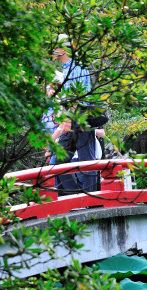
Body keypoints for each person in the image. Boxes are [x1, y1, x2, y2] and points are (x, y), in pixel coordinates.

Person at [52, 34, 98, 195]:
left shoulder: (76, 67)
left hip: (81, 115)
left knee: (87, 159)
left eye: (56, 47)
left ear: (63, 50)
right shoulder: (67, 67)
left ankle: (91, 198)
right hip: (72, 116)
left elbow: (78, 95)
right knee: (59, 161)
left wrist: (69, 117)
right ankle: (75, 195)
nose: (53, 50)